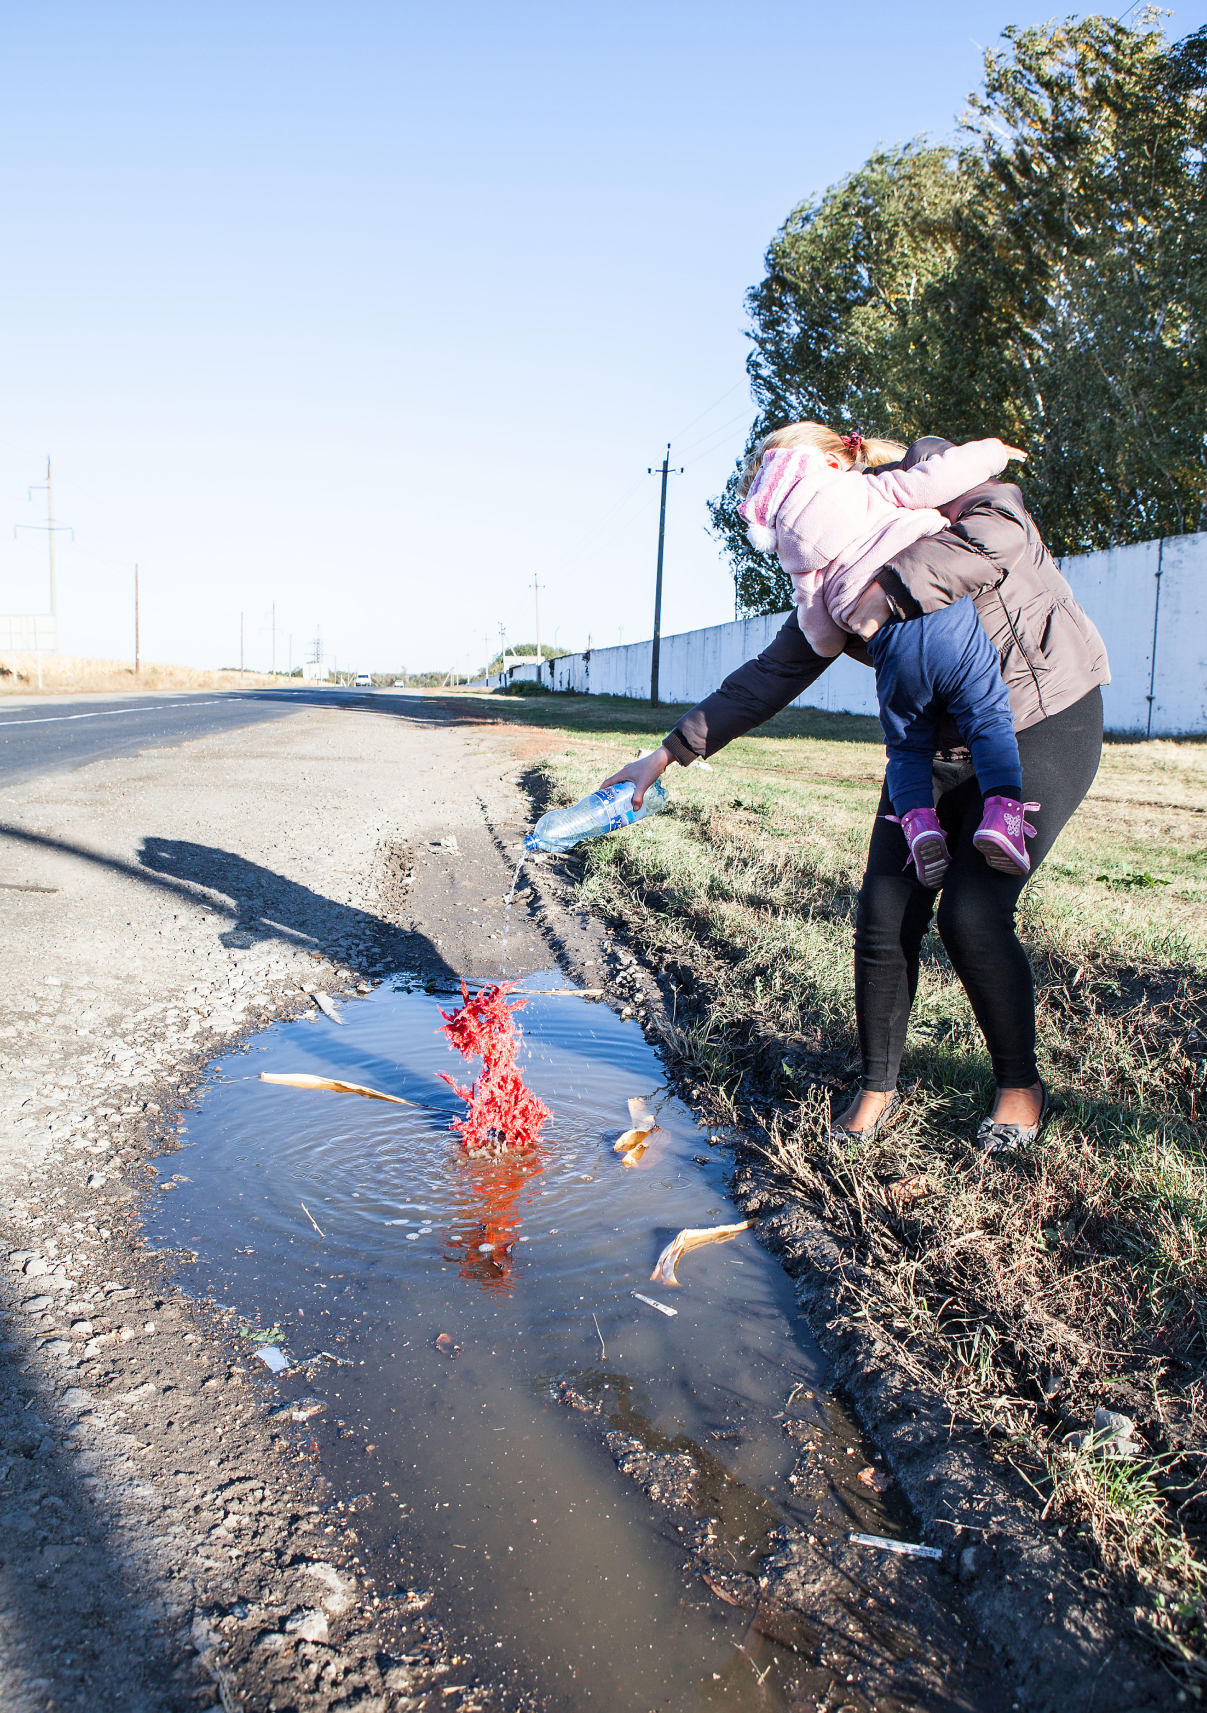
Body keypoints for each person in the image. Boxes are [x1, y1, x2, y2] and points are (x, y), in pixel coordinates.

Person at [602, 434, 1109, 1153]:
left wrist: (887, 590)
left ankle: (1019, 1088)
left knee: (971, 908)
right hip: (930, 746)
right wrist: (665, 753)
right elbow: (772, 671)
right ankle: (876, 1088)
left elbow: (998, 531)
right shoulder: (830, 554)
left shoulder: (923, 477)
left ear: (833, 457)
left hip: (1037, 717)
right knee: (883, 905)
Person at [737, 422, 1033, 882]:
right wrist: (994, 452)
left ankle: (918, 824)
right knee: (987, 715)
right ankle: (1002, 815)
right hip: (941, 614)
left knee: (907, 745)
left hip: (891, 648)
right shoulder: (868, 490)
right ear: (833, 464)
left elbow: (821, 634)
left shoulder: (796, 558)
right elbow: (939, 477)